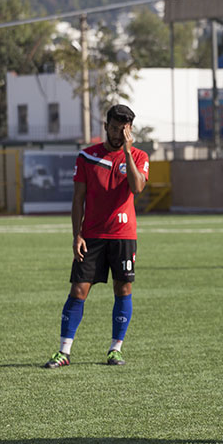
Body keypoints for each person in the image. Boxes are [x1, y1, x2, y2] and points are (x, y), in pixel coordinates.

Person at [44, 105, 149, 368]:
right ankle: (64, 352)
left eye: (123, 129)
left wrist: (126, 152)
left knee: (122, 289)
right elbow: (78, 198)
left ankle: (115, 349)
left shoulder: (138, 156)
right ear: (106, 127)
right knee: (78, 291)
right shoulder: (87, 156)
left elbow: (137, 188)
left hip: (123, 235)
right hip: (91, 236)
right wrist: (76, 234)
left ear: (130, 130)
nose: (117, 133)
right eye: (114, 128)